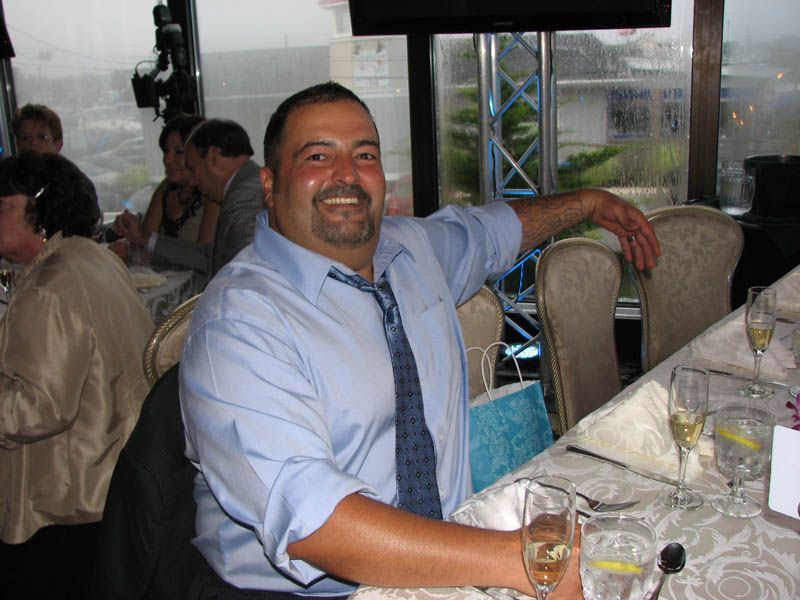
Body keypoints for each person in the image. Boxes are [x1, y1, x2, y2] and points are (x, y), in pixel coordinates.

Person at [179, 82, 660, 598]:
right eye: (318, 155)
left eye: (365, 155)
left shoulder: (411, 249)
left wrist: (587, 202)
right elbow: (317, 522)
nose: (347, 173)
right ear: (270, 184)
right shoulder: (238, 323)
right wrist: (522, 560)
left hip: (452, 557)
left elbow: (495, 232)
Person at [0, 152, 154, 596]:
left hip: (73, 497)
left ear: (40, 209)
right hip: (117, 472)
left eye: (3, 205)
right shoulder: (93, 258)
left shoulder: (51, 285)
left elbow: (39, 408)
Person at [109, 114, 221, 276]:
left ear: (199, 155)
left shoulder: (213, 195)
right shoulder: (166, 189)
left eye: (178, 152)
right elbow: (144, 245)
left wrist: (141, 239)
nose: (167, 159)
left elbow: (202, 259)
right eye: (166, 151)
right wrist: (129, 238)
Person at [183, 118, 265, 276]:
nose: (192, 182)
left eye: (193, 169)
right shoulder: (247, 186)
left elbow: (247, 274)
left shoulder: (244, 199)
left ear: (213, 156)